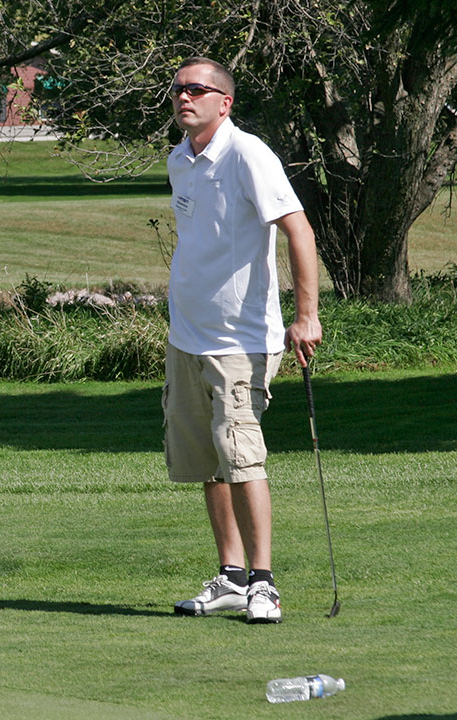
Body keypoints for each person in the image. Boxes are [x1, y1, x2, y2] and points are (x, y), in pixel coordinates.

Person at [163, 57, 322, 624]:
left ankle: (263, 583)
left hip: (241, 339)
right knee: (209, 461)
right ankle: (231, 577)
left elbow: (298, 229)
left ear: (224, 102)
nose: (184, 97)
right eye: (178, 89)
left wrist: (306, 316)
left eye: (196, 89)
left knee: (241, 455)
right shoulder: (179, 160)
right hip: (187, 338)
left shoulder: (249, 154)